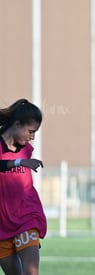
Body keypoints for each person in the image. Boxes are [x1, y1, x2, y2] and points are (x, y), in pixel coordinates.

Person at [0, 99, 46, 275]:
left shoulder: (26, 149)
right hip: (2, 223)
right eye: (30, 131)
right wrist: (19, 162)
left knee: (31, 272)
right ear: (17, 124)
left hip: (27, 216)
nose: (32, 137)